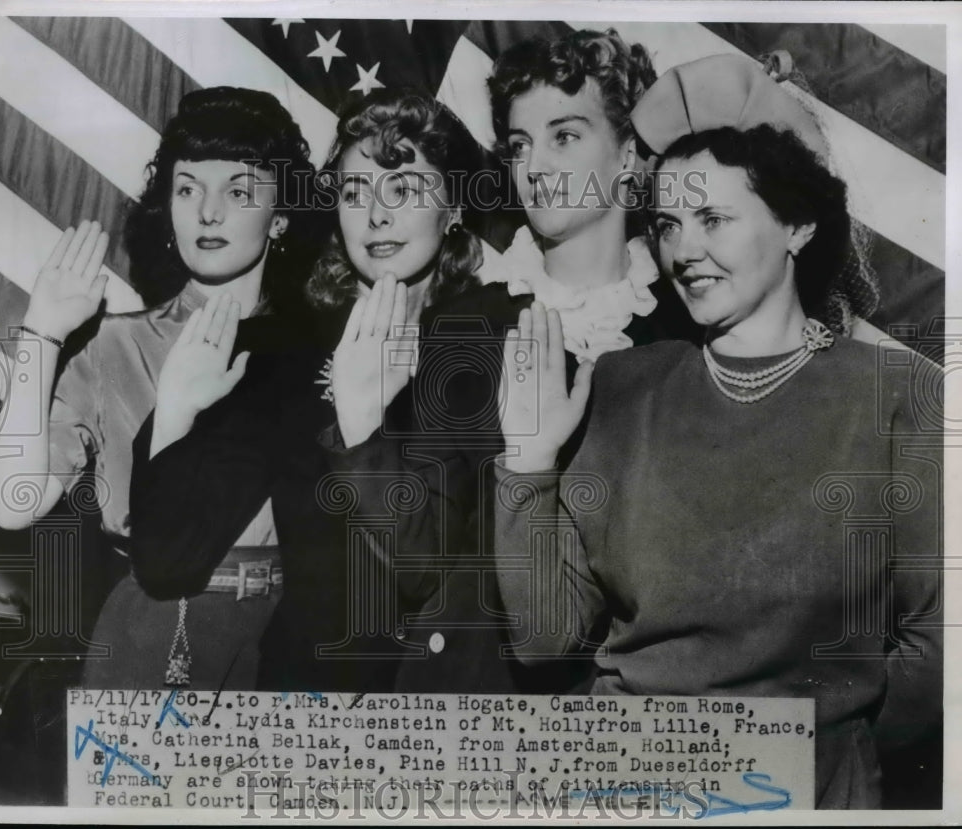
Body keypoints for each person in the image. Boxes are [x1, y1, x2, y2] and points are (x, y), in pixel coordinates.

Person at [493, 54, 942, 808]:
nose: (683, 250)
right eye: (667, 223)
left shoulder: (899, 397)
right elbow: (544, 639)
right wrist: (529, 462)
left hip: (804, 791)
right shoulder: (621, 383)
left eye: (714, 219)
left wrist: (836, 750)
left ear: (797, 224)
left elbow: (935, 648)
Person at [324, 29, 681, 695]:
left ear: (629, 155)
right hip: (482, 699)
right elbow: (424, 564)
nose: (537, 165)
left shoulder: (683, 331)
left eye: (565, 136)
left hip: (652, 713)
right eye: (520, 146)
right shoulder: (464, 325)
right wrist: (363, 424)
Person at [128, 88, 483, 691]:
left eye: (403, 190)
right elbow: (166, 561)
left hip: (451, 703)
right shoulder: (283, 348)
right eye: (353, 193)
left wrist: (362, 420)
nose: (375, 216)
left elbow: (426, 575)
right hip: (311, 699)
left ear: (452, 210)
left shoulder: (492, 343)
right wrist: (176, 412)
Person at [0, 86, 320, 689]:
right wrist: (42, 333)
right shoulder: (114, 346)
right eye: (188, 188)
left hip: (292, 642)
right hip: (158, 637)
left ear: (283, 215)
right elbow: (13, 504)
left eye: (239, 190)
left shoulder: (320, 351)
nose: (208, 212)